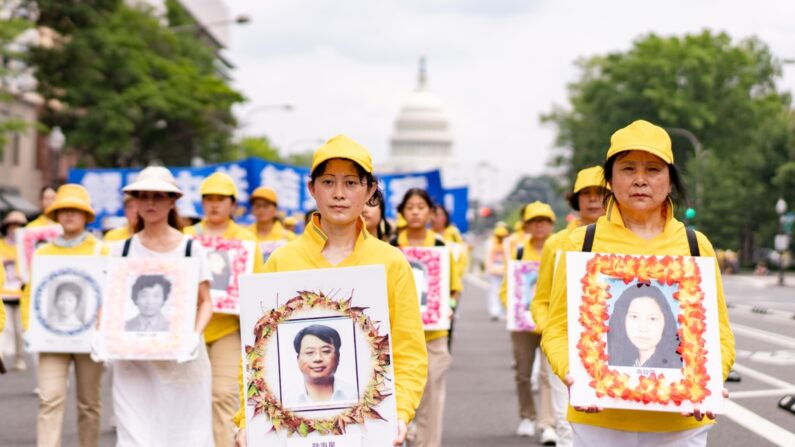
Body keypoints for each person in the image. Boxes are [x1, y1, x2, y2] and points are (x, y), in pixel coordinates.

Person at [541, 120, 735, 446]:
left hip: (679, 424)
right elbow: (557, 328)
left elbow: (719, 332)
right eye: (628, 168)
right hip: (598, 421)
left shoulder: (694, 244)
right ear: (610, 179)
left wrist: (714, 375)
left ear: (670, 180)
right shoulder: (582, 243)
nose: (641, 179)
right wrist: (572, 372)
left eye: (654, 169)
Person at [234, 134, 427, 447]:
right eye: (328, 182)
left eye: (351, 183)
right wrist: (248, 420)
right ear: (312, 189)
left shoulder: (391, 262)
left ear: (369, 190)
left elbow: (408, 352)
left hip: (369, 431)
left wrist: (399, 413)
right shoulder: (283, 261)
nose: (339, 194)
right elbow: (258, 354)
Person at [114, 166, 214, 446]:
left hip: (182, 361)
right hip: (133, 362)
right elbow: (111, 302)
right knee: (136, 434)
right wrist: (102, 335)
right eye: (143, 196)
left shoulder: (190, 248)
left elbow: (206, 301)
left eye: (158, 196)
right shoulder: (121, 250)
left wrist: (193, 336)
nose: (150, 203)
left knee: (185, 434)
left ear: (172, 201)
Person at [20, 184, 108, 447]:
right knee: (49, 398)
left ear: (86, 215)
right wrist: (30, 328)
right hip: (50, 339)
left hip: (90, 341)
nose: (69, 215)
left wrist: (104, 332)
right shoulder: (43, 252)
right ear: (56, 214)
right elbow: (30, 294)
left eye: (75, 210)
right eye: (64, 210)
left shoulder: (101, 250)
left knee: (89, 403)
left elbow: (110, 294)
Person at [183, 171, 264, 447]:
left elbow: (256, 288)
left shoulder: (246, 241)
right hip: (188, 328)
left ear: (232, 204)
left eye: (221, 199)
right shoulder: (185, 237)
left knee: (222, 395)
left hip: (228, 329)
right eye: (209, 199)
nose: (214, 204)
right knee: (188, 399)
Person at [530, 165, 608, 447]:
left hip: (608, 345)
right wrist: (548, 330)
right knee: (566, 422)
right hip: (565, 342)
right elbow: (541, 298)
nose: (592, 199)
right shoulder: (556, 243)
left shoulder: (623, 240)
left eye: (599, 192)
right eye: (585, 194)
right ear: (575, 200)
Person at [391, 187, 462, 447]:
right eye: (410, 207)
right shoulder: (391, 247)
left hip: (433, 334)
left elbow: (453, 288)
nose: (415, 212)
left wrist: (449, 306)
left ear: (431, 213)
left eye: (421, 207)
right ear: (401, 213)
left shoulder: (442, 246)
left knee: (432, 398)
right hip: (399, 336)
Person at [499, 201, 556, 441]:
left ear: (552, 224)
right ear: (527, 226)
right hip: (523, 325)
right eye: (534, 221)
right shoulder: (520, 252)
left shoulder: (559, 250)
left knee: (547, 373)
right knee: (523, 372)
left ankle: (547, 422)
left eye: (544, 220)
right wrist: (513, 308)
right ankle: (527, 416)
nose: (539, 225)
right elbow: (507, 288)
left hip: (552, 322)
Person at [607, 283, 683, 369]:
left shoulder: (679, 366)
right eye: (634, 316)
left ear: (666, 322)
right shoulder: (612, 361)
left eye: (652, 319)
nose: (643, 328)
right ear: (622, 320)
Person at [292, 324, 351, 405]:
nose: (318, 359)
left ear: (338, 356)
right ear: (298, 359)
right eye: (309, 352)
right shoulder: (284, 399)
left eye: (326, 351)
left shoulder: (355, 395)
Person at [1, 210, 28, 371]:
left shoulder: (26, 246)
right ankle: (3, 355)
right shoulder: (1, 244)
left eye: (18, 225)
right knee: (5, 327)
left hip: (21, 292)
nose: (15, 228)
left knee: (19, 329)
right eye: (12, 225)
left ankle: (20, 358)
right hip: (4, 292)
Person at [248, 187, 296, 262]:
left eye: (265, 205)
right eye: (257, 206)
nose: (261, 210)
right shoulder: (244, 236)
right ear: (252, 209)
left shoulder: (289, 238)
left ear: (275, 208)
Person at [485, 225, 509, 320]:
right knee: (494, 291)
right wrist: (490, 269)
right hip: (494, 270)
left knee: (504, 291)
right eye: (499, 236)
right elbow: (487, 257)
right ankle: (495, 311)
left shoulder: (507, 244)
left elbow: (509, 257)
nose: (500, 238)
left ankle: (503, 311)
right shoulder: (490, 243)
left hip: (504, 269)